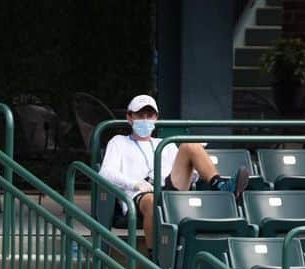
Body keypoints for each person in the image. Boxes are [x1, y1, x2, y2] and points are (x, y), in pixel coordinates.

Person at [98, 93, 250, 254]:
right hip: (139, 193)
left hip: (168, 187)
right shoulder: (118, 142)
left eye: (149, 115)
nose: (145, 119)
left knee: (190, 145)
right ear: (129, 118)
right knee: (151, 201)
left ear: (156, 117)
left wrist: (194, 164)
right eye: (139, 115)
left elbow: (188, 177)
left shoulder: (165, 144)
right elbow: (105, 172)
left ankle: (221, 186)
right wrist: (134, 183)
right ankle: (155, 257)